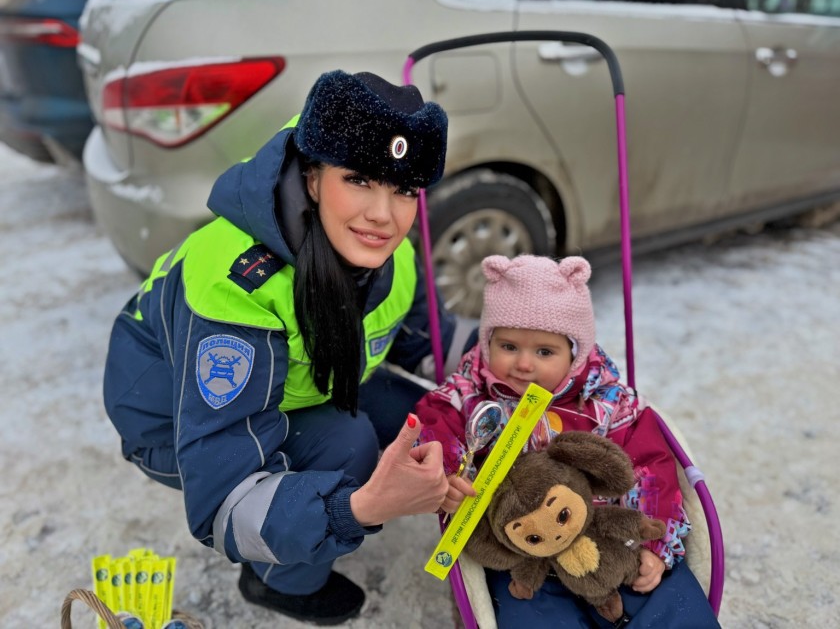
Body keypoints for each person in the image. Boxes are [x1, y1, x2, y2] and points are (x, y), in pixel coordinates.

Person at [102, 69, 471, 625]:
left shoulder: (389, 253)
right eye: (359, 180)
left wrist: (523, 355)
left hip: (290, 390)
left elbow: (431, 340)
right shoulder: (234, 286)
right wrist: (362, 508)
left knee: (420, 420)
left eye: (402, 190)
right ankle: (278, 582)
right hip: (175, 421)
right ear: (314, 177)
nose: (383, 214)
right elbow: (224, 497)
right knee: (349, 443)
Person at [415, 254, 720, 628]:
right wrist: (446, 474)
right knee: (529, 616)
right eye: (508, 346)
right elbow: (435, 426)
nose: (524, 364)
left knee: (669, 602)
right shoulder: (470, 395)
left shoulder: (607, 403)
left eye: (544, 351)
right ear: (487, 342)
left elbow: (648, 468)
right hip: (520, 553)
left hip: (606, 534)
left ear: (575, 354)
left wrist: (653, 544)